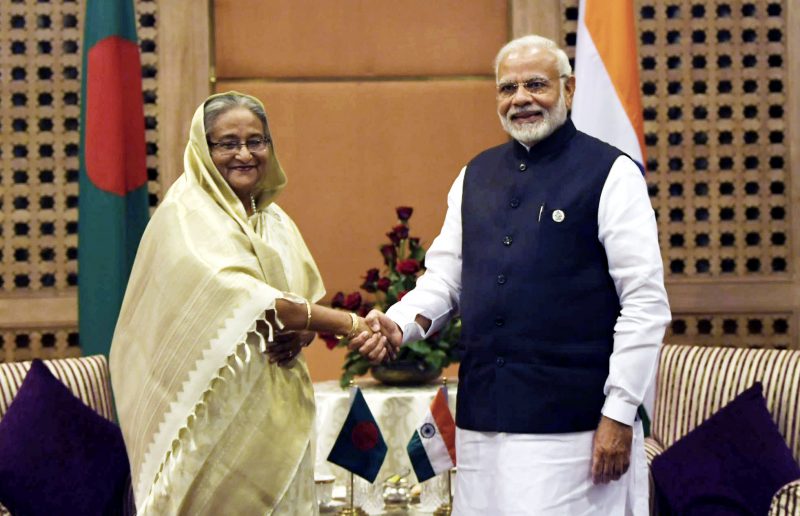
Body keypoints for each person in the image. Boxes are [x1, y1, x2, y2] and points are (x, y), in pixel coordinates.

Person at [350, 35, 671, 514]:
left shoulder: (611, 173)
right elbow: (445, 279)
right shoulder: (474, 175)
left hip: (574, 428)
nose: (520, 98)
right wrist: (400, 323)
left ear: (568, 89)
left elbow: (645, 303)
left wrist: (620, 413)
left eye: (536, 85)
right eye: (507, 88)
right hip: (481, 424)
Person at [110, 91, 375, 515]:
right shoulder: (185, 215)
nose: (245, 154)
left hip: (274, 419)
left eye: (256, 141)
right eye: (228, 143)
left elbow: (300, 307)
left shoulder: (273, 220)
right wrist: (352, 325)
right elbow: (256, 300)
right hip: (208, 425)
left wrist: (303, 334)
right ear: (203, 149)